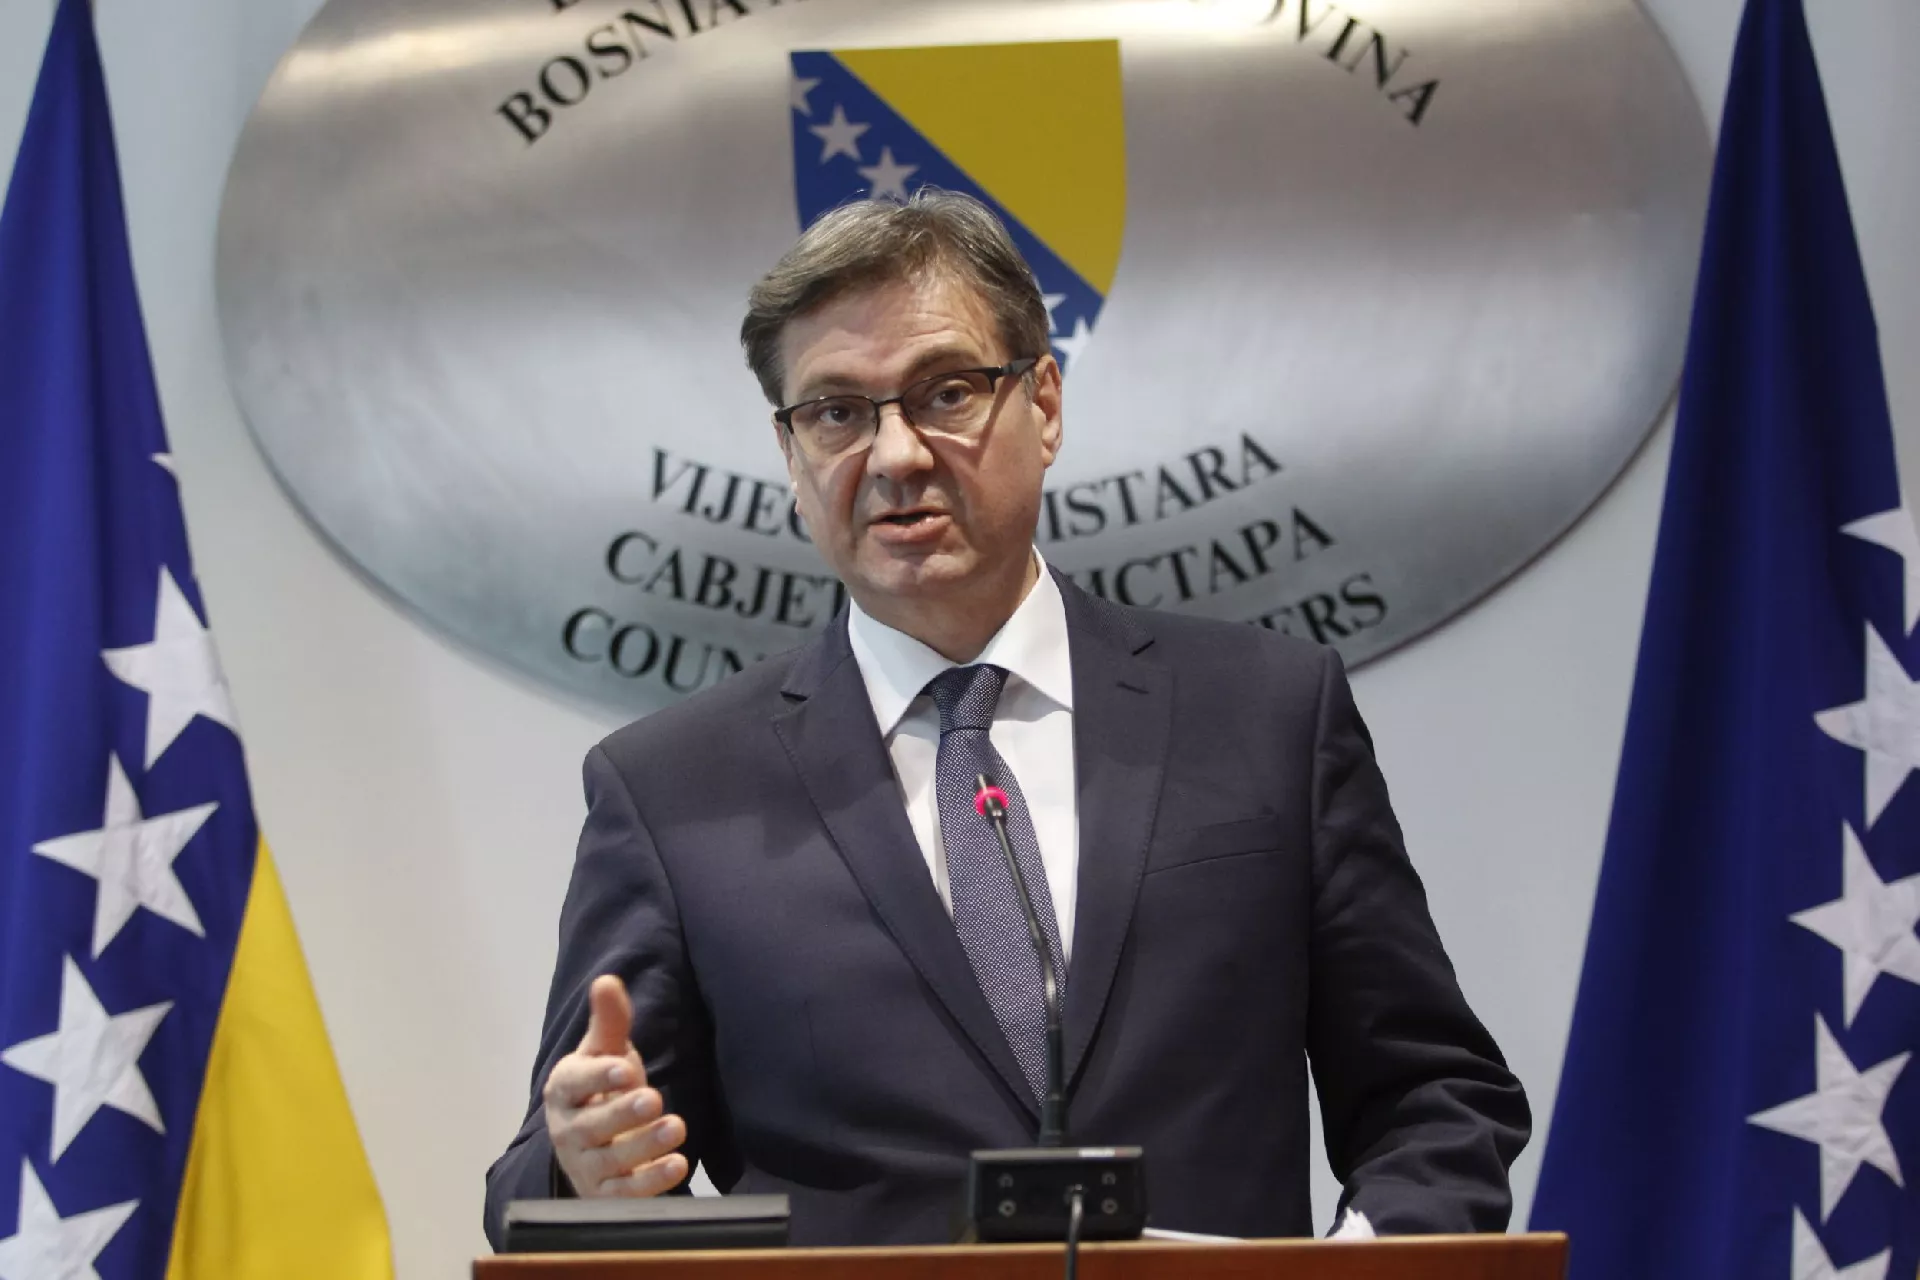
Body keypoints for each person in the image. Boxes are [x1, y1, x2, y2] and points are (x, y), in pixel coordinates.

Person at [484, 190, 1528, 1247]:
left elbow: (1434, 1098)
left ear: (1046, 404)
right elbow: (535, 1193)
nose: (895, 454)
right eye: (837, 412)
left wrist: (1360, 1266)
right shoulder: (672, 792)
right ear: (791, 455)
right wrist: (585, 1168)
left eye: (946, 392)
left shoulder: (1267, 713)